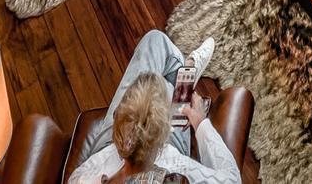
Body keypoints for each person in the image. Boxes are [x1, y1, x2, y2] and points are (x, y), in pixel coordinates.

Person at [68, 31, 239, 184]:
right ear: (165, 134)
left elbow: (75, 179)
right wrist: (201, 124)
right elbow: (233, 180)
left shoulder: (90, 175)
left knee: (155, 41)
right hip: (147, 152)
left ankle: (184, 77)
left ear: (116, 115)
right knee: (169, 85)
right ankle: (186, 78)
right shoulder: (177, 167)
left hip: (110, 150)